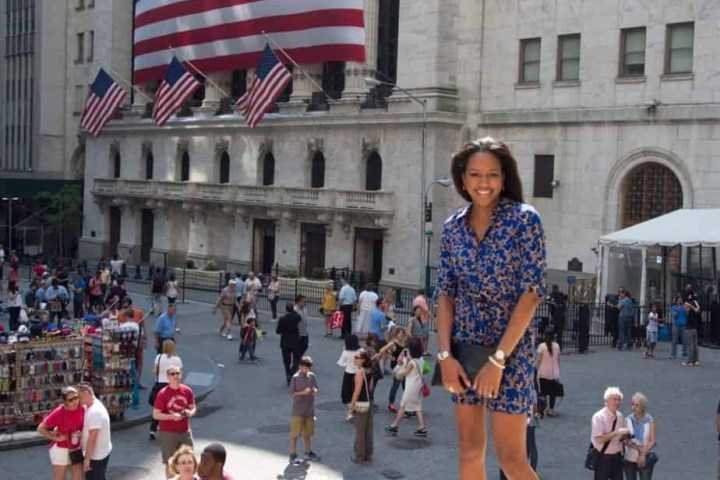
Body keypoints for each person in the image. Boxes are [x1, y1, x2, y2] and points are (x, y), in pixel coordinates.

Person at [435, 138, 546, 480]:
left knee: (512, 461)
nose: (484, 184)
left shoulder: (524, 220)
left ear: (504, 177)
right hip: (465, 350)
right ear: (463, 179)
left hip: (509, 353)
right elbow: (445, 293)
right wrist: (444, 358)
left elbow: (532, 293)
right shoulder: (452, 228)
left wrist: (498, 360)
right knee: (469, 451)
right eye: (476, 175)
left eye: (493, 175)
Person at [153, 365, 196, 479]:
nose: (175, 376)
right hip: (168, 432)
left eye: (177, 373)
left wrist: (189, 412)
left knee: (189, 459)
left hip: (185, 430)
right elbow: (156, 414)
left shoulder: (187, 391)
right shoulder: (162, 393)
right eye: (172, 374)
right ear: (168, 377)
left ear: (181, 374)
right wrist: (172, 417)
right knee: (170, 462)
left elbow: (193, 407)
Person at [36, 386, 85, 480]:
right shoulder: (60, 412)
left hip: (75, 448)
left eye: (76, 397)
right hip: (60, 449)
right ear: (65, 401)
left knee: (78, 477)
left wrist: (80, 433)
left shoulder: (81, 408)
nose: (75, 401)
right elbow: (41, 428)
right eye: (71, 400)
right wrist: (57, 438)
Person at [384, 337, 428, 437]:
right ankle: (422, 427)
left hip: (411, 387)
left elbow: (403, 373)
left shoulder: (412, 363)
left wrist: (404, 363)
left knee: (403, 405)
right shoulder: (421, 360)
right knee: (417, 406)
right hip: (418, 386)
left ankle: (394, 426)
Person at [590, 387, 629, 480]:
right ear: (606, 401)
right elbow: (598, 439)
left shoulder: (620, 416)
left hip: (617, 458)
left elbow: (620, 436)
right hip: (603, 458)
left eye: (619, 400)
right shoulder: (599, 417)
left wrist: (625, 436)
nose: (617, 402)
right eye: (614, 399)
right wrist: (616, 432)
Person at [288, 356, 320, 465]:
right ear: (301, 367)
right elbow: (292, 393)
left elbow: (315, 387)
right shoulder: (295, 377)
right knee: (295, 433)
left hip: (309, 409)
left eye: (308, 368)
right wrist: (303, 392)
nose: (307, 370)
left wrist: (314, 390)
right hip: (298, 410)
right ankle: (292, 453)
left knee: (308, 433)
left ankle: (308, 451)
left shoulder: (311, 376)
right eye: (305, 368)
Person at [77, 383, 112, 480]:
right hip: (99, 453)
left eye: (79, 397)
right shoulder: (91, 405)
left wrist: (87, 460)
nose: (78, 400)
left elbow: (92, 437)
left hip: (97, 456)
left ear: (86, 393)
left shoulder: (95, 412)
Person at [150, 339, 183, 440]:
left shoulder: (159, 357)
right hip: (171, 385)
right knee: (171, 408)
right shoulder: (177, 359)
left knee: (158, 408)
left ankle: (153, 429)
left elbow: (154, 371)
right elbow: (180, 374)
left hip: (160, 385)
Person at [623, 392, 657, 480]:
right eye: (632, 404)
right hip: (630, 458)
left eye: (637, 405)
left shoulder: (650, 421)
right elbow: (625, 440)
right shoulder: (627, 420)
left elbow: (652, 440)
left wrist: (643, 454)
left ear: (643, 407)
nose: (634, 407)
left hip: (645, 458)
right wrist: (639, 449)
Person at [349, 349, 374, 463]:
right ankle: (368, 454)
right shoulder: (369, 370)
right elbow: (370, 388)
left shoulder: (359, 373)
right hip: (369, 401)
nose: (354, 359)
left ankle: (359, 455)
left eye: (357, 357)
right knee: (368, 429)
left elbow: (357, 391)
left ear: (362, 360)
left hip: (361, 403)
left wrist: (352, 405)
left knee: (360, 430)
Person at [377, 327, 407, 412]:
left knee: (405, 385)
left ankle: (406, 403)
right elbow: (381, 350)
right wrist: (391, 357)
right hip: (396, 367)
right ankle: (391, 403)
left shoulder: (404, 343)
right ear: (396, 334)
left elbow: (405, 353)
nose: (401, 335)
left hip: (404, 366)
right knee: (396, 384)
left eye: (402, 334)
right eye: (399, 334)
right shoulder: (393, 343)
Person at [535, 329, 561, 417]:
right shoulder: (557, 346)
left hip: (543, 372)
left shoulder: (541, 346)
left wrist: (536, 368)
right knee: (552, 393)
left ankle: (542, 409)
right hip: (554, 372)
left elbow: (538, 360)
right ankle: (551, 409)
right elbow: (558, 360)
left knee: (543, 391)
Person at [277, 302, 302, 386]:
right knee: (296, 359)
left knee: (286, 361)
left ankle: (288, 374)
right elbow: (299, 317)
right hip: (295, 341)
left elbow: (278, 331)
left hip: (285, 342)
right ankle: (292, 373)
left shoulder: (282, 319)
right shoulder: (296, 317)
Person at [338, 334, 361, 418]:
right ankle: (352, 410)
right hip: (358, 373)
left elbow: (342, 363)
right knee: (356, 392)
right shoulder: (361, 351)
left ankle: (351, 409)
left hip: (348, 373)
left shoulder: (345, 352)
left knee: (346, 395)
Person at [683, 290, 700, 366]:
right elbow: (697, 308)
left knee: (690, 345)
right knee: (695, 345)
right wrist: (694, 306)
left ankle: (689, 360)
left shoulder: (689, 308)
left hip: (689, 328)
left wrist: (689, 306)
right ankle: (695, 360)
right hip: (694, 327)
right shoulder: (696, 307)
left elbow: (686, 307)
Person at [669, 294, 688, 361]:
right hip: (676, 325)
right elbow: (674, 316)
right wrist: (679, 309)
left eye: (681, 300)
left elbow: (687, 314)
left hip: (684, 325)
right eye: (679, 301)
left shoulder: (684, 307)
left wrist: (685, 309)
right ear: (676, 302)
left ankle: (685, 354)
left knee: (685, 340)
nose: (680, 302)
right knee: (674, 340)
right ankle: (673, 354)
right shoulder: (674, 307)